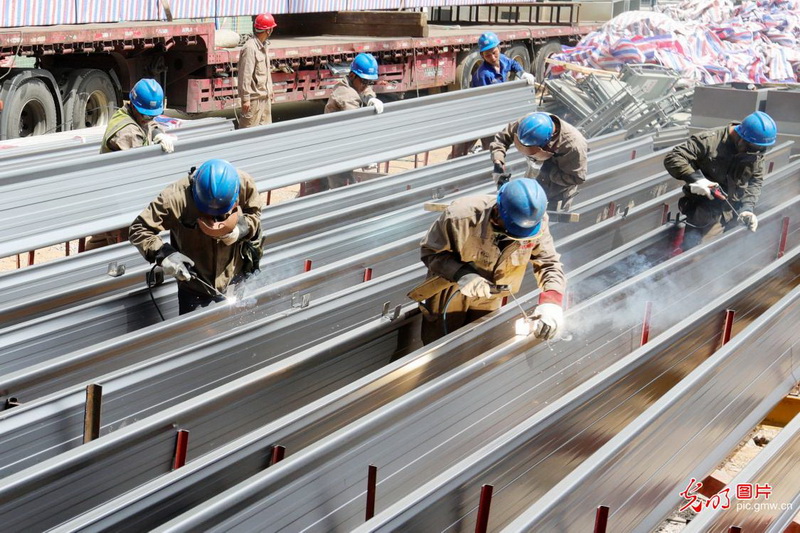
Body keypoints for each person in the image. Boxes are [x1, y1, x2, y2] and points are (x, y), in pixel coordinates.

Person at [411, 178, 566, 345]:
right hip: (449, 294)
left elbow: (548, 263)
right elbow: (431, 253)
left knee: (479, 346)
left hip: (491, 297)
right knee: (439, 347)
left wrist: (551, 302)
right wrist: (463, 275)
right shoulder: (461, 217)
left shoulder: (537, 222)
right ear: (498, 211)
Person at [129, 159, 264, 315]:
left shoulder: (243, 184)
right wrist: (165, 255)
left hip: (236, 275)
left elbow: (254, 213)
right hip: (195, 286)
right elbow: (139, 229)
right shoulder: (175, 198)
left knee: (238, 328)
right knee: (198, 335)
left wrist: (240, 229)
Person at [664, 111, 776, 249]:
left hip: (734, 212)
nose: (753, 153)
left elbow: (755, 180)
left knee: (729, 253)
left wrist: (747, 208)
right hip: (707, 212)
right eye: (751, 148)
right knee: (700, 256)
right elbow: (673, 158)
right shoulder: (710, 141)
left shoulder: (755, 149)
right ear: (741, 137)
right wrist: (696, 179)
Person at [90, 78, 175, 250]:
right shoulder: (127, 132)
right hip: (117, 197)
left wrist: (158, 133)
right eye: (145, 115)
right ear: (134, 105)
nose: (148, 119)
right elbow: (140, 171)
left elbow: (150, 123)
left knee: (100, 240)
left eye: (152, 115)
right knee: (121, 242)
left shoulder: (130, 113)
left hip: (116, 191)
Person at [300, 53, 384, 196]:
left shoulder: (357, 86)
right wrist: (365, 155)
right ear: (352, 76)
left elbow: (366, 90)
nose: (366, 86)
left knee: (319, 187)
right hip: (334, 152)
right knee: (343, 190)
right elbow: (356, 128)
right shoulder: (345, 94)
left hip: (340, 147)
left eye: (369, 82)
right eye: (364, 81)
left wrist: (370, 98)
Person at [450, 32, 536, 159]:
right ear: (482, 56)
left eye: (494, 52)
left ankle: (490, 167)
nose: (493, 57)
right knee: (467, 146)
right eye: (487, 55)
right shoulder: (483, 74)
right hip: (480, 114)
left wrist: (522, 73)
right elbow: (485, 100)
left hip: (495, 112)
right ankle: (452, 165)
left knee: (492, 145)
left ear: (499, 48)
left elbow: (513, 64)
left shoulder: (503, 60)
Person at [490, 111, 588, 212]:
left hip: (556, 194)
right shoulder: (527, 124)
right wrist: (498, 160)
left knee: (547, 221)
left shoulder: (573, 146)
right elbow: (502, 139)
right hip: (534, 177)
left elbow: (577, 178)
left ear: (548, 141)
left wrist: (548, 170)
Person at [237, 13, 276, 128]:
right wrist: (245, 99)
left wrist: (270, 90)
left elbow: (266, 71)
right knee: (247, 135)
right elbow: (245, 76)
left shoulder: (264, 46)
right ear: (268, 31)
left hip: (265, 98)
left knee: (265, 133)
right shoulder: (250, 48)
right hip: (254, 102)